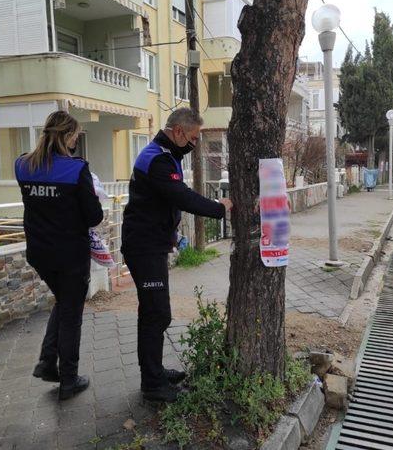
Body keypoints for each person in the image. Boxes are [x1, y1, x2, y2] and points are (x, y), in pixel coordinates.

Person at [121, 108, 233, 403]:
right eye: (194, 137)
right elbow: (182, 196)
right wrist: (219, 208)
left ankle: (154, 372)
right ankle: (152, 385)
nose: (196, 143)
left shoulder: (164, 153)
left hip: (150, 245)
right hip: (143, 247)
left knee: (153, 312)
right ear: (179, 132)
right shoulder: (157, 159)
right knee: (157, 313)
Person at [15, 111, 104, 401]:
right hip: (70, 255)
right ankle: (69, 379)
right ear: (67, 137)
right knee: (71, 315)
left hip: (39, 253)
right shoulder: (76, 169)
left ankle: (46, 363)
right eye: (76, 136)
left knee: (65, 303)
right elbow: (93, 215)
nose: (77, 140)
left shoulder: (23, 165)